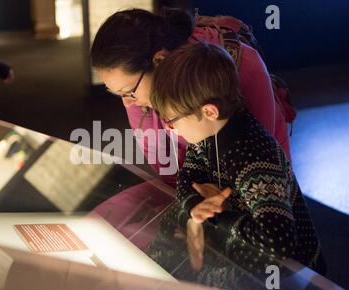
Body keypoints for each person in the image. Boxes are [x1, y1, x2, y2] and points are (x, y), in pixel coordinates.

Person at [148, 42, 326, 287]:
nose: (169, 128)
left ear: (209, 111)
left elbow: (279, 242)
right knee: (175, 216)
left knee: (202, 278)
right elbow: (187, 177)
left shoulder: (253, 156)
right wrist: (196, 207)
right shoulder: (206, 135)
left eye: (172, 119)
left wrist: (215, 219)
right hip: (244, 229)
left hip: (293, 274)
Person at [91, 8, 291, 188]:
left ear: (159, 60)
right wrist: (192, 199)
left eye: (128, 92)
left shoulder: (242, 66)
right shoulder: (137, 91)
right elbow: (167, 169)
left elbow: (262, 161)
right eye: (118, 94)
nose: (127, 103)